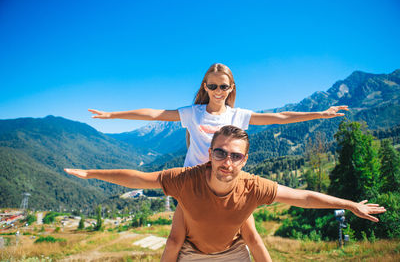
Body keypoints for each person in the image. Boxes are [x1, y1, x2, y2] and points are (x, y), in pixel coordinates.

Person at [88, 63, 349, 261]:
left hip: (229, 181)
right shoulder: (192, 113)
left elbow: (279, 117)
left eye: (223, 87)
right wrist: (113, 114)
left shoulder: (239, 115)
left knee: (251, 236)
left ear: (231, 88)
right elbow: (155, 114)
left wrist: (320, 114)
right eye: (212, 86)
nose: (217, 91)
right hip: (194, 186)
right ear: (204, 87)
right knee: (176, 238)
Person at [64, 125, 386, 262]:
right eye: (220, 153)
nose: (226, 162)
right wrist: (92, 173)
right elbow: (139, 178)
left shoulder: (253, 187)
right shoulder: (185, 180)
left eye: (235, 156)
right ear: (209, 154)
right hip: (193, 254)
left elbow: (301, 197)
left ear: (244, 160)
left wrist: (350, 205)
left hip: (233, 254)